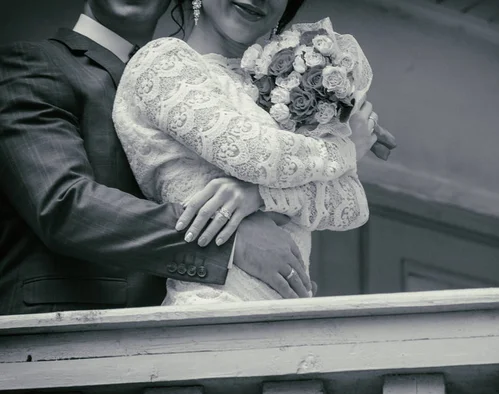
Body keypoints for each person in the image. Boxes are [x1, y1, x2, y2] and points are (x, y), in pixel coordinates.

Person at [0, 0, 311, 315]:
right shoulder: (33, 63)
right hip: (64, 329)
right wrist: (229, 237)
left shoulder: (192, 80)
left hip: (172, 318)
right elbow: (63, 205)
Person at [113, 0, 392, 304]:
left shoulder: (277, 88)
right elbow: (253, 156)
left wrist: (260, 197)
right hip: (214, 303)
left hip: (289, 314)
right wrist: (346, 147)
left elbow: (352, 203)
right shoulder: (163, 61)